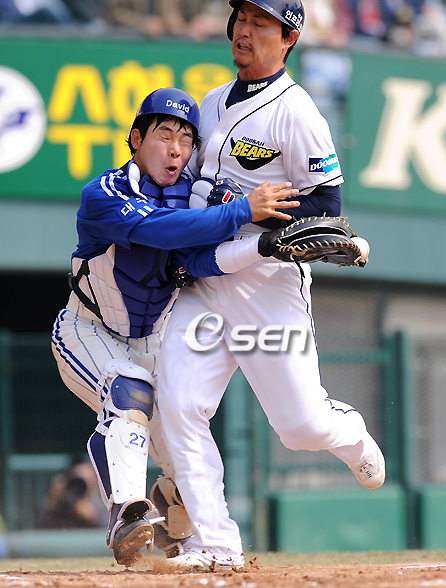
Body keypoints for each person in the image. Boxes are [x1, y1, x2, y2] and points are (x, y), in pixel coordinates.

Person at [156, 0, 386, 572]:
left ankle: (349, 433)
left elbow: (327, 204)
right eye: (241, 18)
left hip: (267, 282)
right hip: (207, 276)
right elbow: (190, 185)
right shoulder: (212, 102)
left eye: (261, 23)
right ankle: (215, 544)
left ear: (289, 39)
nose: (245, 30)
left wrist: (255, 212)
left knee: (301, 428)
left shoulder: (297, 112)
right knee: (179, 403)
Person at [51, 86, 300, 566]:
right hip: (88, 331)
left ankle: (172, 524)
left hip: (153, 339)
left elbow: (201, 260)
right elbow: (159, 230)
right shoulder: (105, 192)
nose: (175, 149)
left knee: (188, 451)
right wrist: (240, 211)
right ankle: (126, 513)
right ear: (136, 139)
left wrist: (263, 246)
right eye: (164, 135)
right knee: (129, 390)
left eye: (186, 140)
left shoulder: (195, 196)